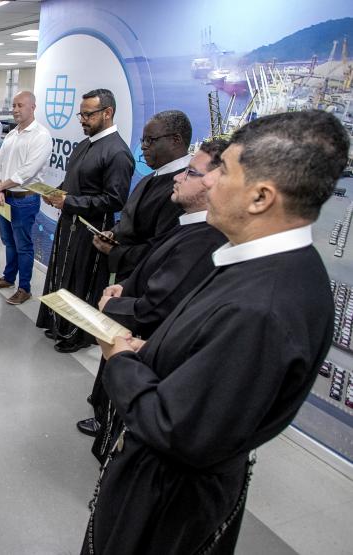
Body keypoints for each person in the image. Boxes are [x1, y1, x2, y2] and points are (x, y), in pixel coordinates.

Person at [84, 110, 347, 555]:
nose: (207, 182)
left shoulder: (262, 307)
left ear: (261, 197)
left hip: (168, 503)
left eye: (223, 171)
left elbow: (176, 428)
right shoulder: (259, 266)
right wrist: (160, 352)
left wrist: (120, 356)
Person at [80, 140, 229, 458]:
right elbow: (153, 263)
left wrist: (111, 307)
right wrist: (125, 286)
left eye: (190, 173)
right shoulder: (187, 225)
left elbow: (159, 305)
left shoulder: (204, 239)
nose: (177, 177)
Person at [36, 89, 135, 353]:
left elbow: (114, 200)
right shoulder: (86, 144)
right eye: (81, 114)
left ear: (108, 113)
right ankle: (59, 324)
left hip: (91, 230)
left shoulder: (117, 152)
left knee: (83, 281)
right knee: (62, 275)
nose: (82, 119)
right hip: (70, 224)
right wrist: (56, 192)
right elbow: (74, 182)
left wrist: (69, 202)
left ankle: (77, 335)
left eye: (88, 114)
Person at [91, 110, 192, 281]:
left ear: (176, 140)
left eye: (150, 140)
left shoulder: (182, 190)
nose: (144, 146)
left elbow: (162, 250)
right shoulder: (151, 177)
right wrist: (114, 233)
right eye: (143, 140)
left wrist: (116, 252)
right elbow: (133, 219)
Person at [0, 91, 51, 304]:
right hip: (4, 197)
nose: (15, 109)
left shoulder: (41, 135)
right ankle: (8, 277)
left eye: (20, 105)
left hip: (24, 199)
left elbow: (27, 171)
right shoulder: (12, 134)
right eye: (13, 105)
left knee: (23, 245)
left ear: (32, 107)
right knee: (9, 242)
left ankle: (25, 288)